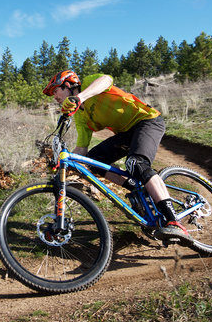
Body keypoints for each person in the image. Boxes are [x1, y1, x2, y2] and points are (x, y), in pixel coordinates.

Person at [43, 70, 191, 243]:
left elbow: (106, 80)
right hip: (126, 133)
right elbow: (82, 149)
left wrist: (80, 97)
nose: (54, 97)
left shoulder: (90, 83)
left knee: (136, 163)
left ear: (68, 85)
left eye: (55, 91)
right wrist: (63, 165)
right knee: (94, 161)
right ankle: (137, 189)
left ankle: (173, 221)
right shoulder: (81, 117)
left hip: (147, 121)